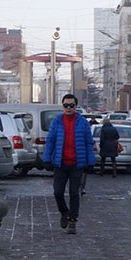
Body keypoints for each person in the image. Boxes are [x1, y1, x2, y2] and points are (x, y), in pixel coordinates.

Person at [42, 93, 96, 234]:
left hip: (77, 164)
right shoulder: (57, 121)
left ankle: (73, 221)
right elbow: (51, 141)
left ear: (76, 106)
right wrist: (47, 159)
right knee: (57, 192)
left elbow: (88, 143)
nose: (68, 108)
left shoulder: (83, 123)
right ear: (63, 106)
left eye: (71, 105)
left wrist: (90, 162)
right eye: (66, 105)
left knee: (74, 193)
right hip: (60, 163)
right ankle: (64, 212)